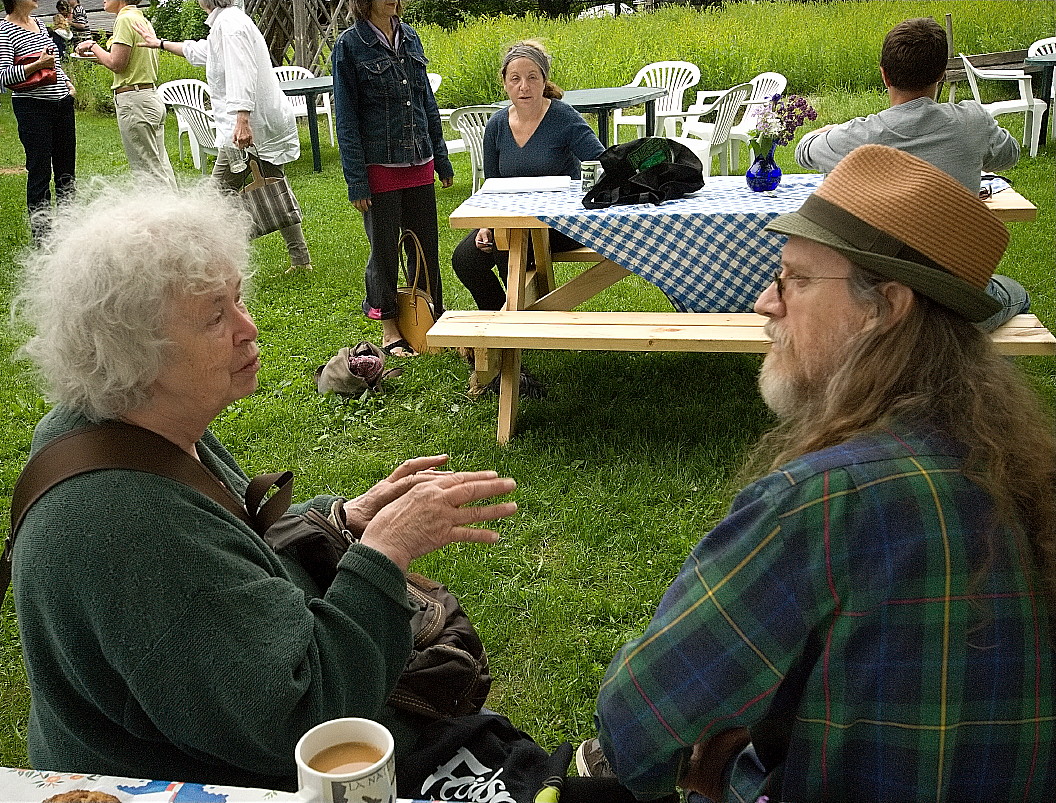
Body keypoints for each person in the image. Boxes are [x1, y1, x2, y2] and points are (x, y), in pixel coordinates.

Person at [9, 178, 518, 789]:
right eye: (213, 317)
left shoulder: (125, 423)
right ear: (134, 353)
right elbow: (307, 722)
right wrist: (385, 553)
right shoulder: (130, 527)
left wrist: (340, 519)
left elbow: (225, 549)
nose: (247, 329)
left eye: (239, 299)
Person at [582, 145, 1055, 802]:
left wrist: (723, 761)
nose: (763, 303)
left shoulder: (823, 502)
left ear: (886, 306)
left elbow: (637, 724)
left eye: (794, 279)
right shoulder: (1024, 470)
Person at [795, 17, 1027, 332]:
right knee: (1016, 294)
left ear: (884, 74)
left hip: (880, 298)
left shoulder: (859, 135)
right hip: (953, 300)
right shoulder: (973, 121)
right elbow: (1009, 154)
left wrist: (832, 130)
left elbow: (804, 151)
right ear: (942, 74)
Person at [451, 40, 603, 396]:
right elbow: (491, 185)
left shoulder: (565, 119)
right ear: (504, 82)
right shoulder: (496, 126)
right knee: (465, 258)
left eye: (532, 77)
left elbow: (599, 164)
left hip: (560, 225)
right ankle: (500, 325)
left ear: (544, 79)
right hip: (509, 222)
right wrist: (486, 224)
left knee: (508, 253)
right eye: (515, 78)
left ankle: (506, 353)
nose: (524, 86)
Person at [132, 0, 312, 269]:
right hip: (256, 124)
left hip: (248, 127)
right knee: (275, 186)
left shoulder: (229, 25)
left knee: (215, 196)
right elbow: (205, 52)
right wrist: (160, 43)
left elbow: (242, 73)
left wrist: (242, 119)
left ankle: (202, 263)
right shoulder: (227, 22)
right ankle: (300, 260)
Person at [332, 0, 453, 358]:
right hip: (379, 166)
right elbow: (347, 117)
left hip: (419, 160)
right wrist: (357, 180)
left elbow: (425, 102)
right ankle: (389, 329)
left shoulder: (411, 37)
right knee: (384, 251)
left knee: (425, 248)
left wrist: (441, 160)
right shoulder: (349, 46)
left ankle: (431, 318)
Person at [0, 0, 76, 239]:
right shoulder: (4, 32)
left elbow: (53, 62)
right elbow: (4, 76)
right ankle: (43, 237)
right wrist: (37, 65)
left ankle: (70, 232)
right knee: (40, 172)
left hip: (62, 105)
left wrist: (67, 82)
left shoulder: (39, 24)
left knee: (66, 172)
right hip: (33, 109)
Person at [75, 0, 176, 186]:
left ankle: (164, 214)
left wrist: (92, 46)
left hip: (134, 103)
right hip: (149, 98)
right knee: (161, 166)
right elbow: (127, 62)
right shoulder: (141, 19)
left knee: (148, 173)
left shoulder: (124, 19)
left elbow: (117, 64)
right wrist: (97, 56)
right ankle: (178, 211)